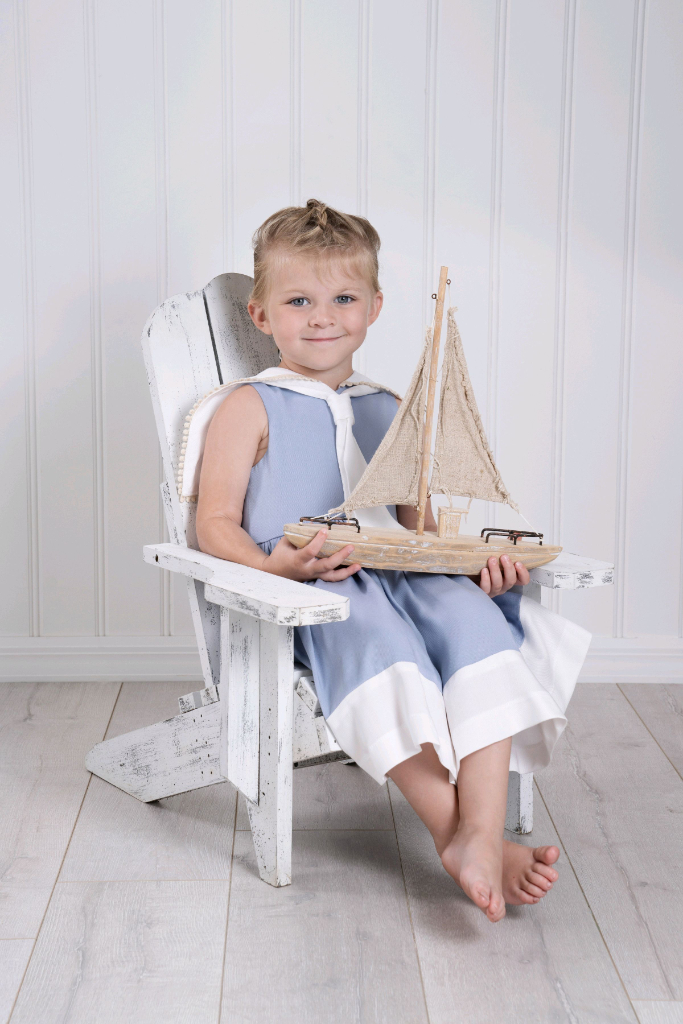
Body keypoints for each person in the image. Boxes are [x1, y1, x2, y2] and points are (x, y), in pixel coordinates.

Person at [195, 199, 590, 923]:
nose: (323, 317)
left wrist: (475, 569)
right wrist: (277, 568)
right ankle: (463, 834)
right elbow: (211, 526)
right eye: (299, 301)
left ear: (374, 307)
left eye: (343, 298)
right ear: (261, 316)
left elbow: (422, 530)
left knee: (479, 629)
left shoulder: (389, 407)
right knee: (381, 650)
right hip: (320, 591)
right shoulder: (248, 408)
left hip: (408, 578)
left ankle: (475, 829)